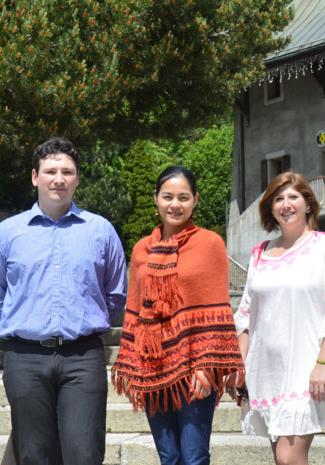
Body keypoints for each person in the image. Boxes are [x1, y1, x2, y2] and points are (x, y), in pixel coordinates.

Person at [0, 137, 127, 465]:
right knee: (34, 455)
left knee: (84, 452)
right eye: (50, 171)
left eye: (67, 171)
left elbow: (116, 294)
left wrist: (85, 318)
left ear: (77, 178)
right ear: (35, 177)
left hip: (82, 356)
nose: (58, 179)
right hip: (25, 358)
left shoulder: (101, 231)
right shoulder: (6, 234)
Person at [111, 166, 245, 465]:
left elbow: (217, 309)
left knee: (194, 456)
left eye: (183, 197)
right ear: (156, 199)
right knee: (169, 456)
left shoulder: (210, 243)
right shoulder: (141, 250)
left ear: (195, 200)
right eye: (168, 196)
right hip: (153, 366)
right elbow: (134, 309)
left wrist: (206, 366)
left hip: (195, 366)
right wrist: (133, 361)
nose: (175, 204)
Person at [234, 171, 325, 465]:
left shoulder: (324, 249)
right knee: (280, 459)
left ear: (308, 204)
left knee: (289, 457)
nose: (286, 204)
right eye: (278, 198)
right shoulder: (260, 254)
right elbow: (246, 316)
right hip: (265, 373)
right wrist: (239, 367)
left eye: (293, 197)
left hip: (305, 371)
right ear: (270, 208)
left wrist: (324, 364)